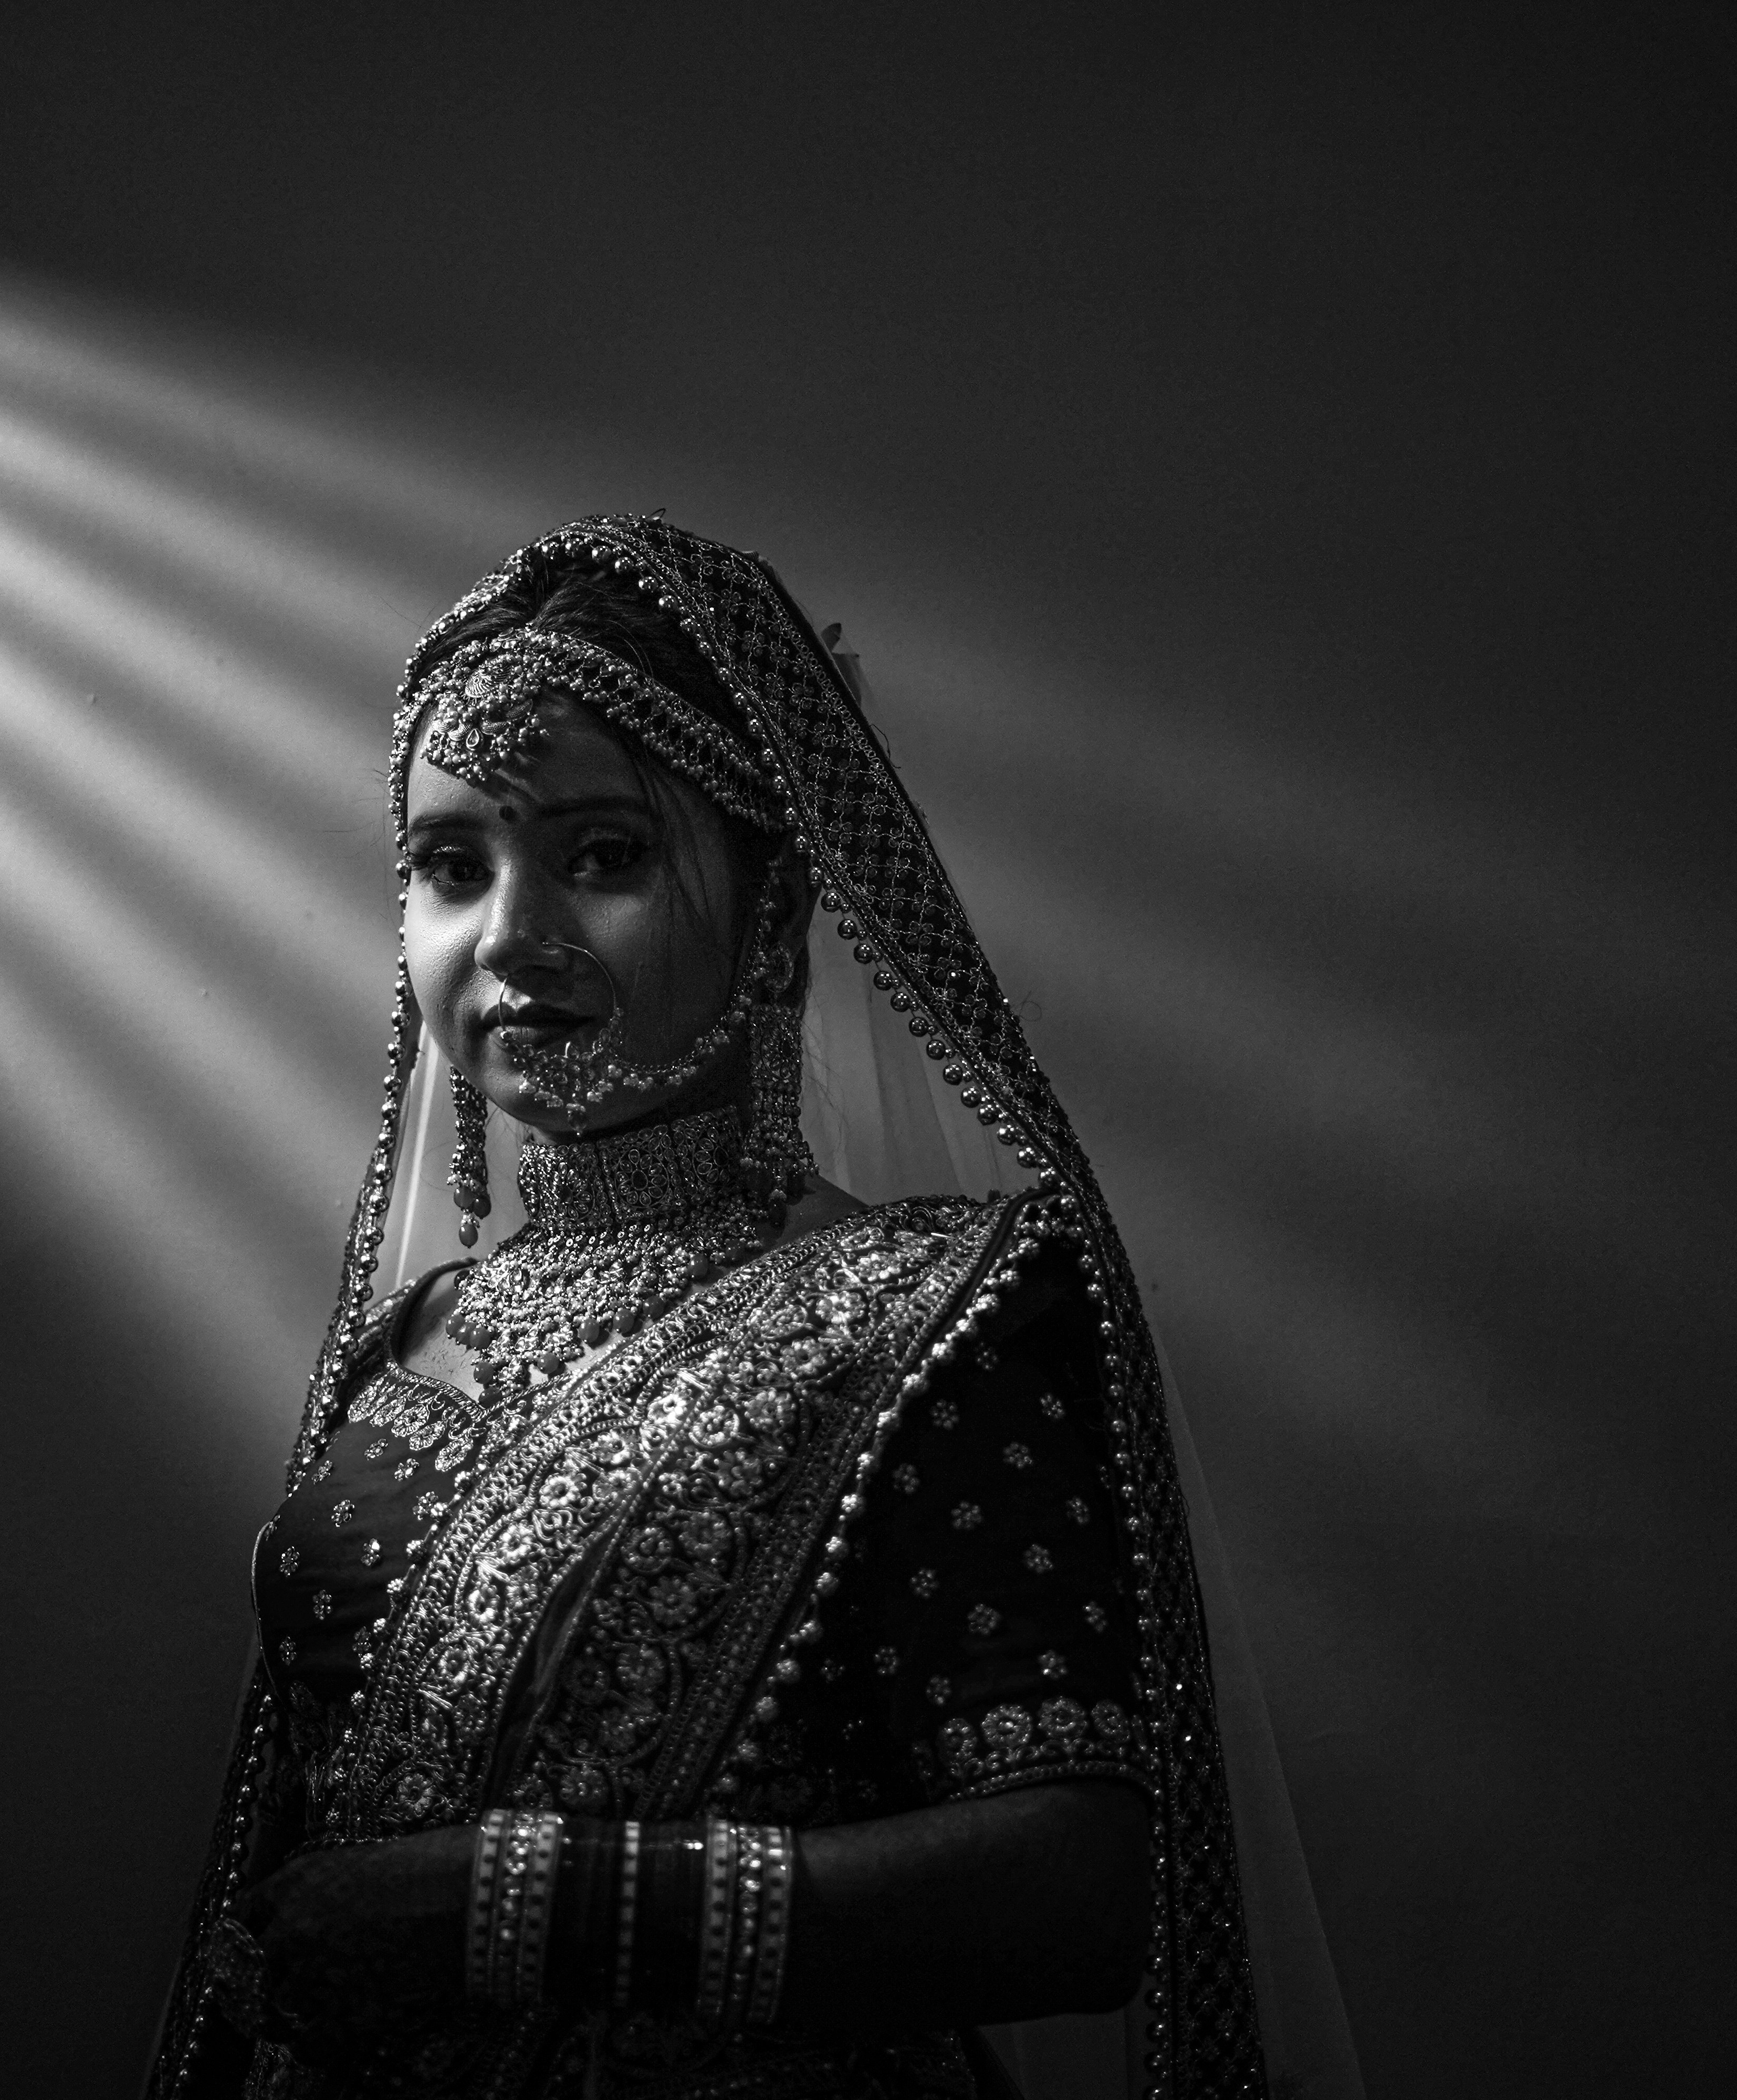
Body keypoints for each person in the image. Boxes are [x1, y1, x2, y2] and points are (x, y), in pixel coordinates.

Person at [149, 517, 1267, 2099]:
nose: (511, 939)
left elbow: (1072, 1891)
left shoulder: (943, 1309)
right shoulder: (407, 1349)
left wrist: (515, 1911)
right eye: (451, 868)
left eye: (603, 855)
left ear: (780, 902)